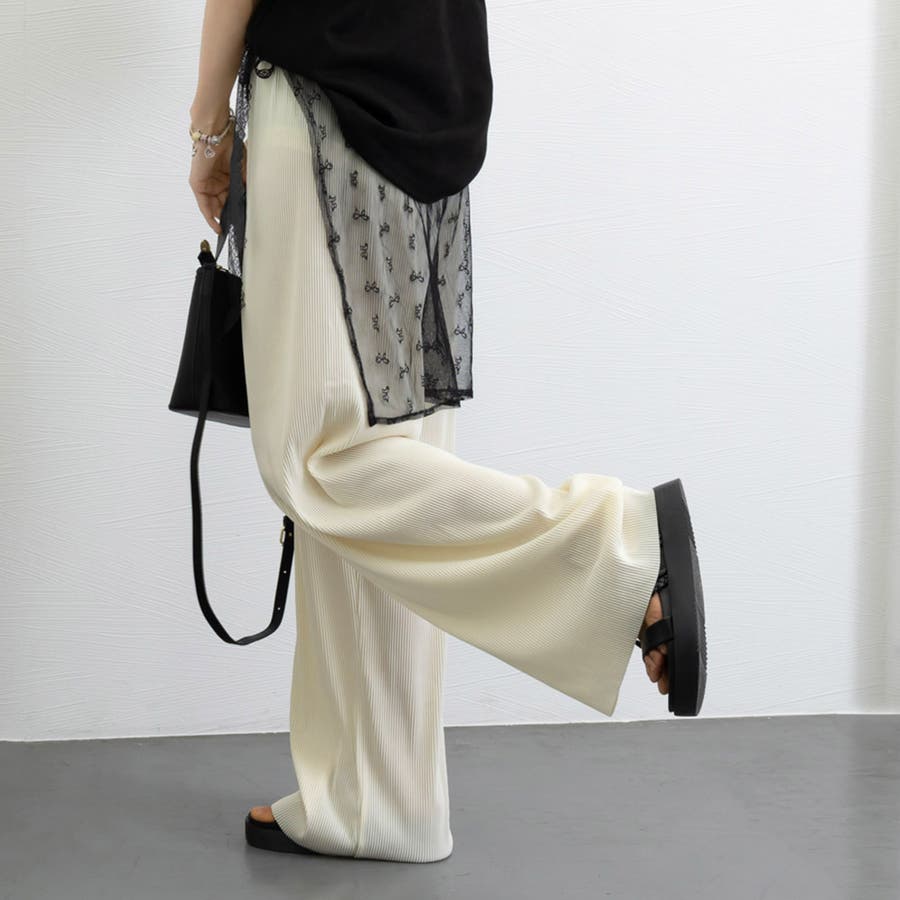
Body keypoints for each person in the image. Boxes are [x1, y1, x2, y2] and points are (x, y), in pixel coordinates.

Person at [187, 0, 706, 865]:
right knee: (390, 457)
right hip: (430, 99)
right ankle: (385, 803)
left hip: (324, 95)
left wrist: (209, 128)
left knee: (319, 460)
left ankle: (616, 544)